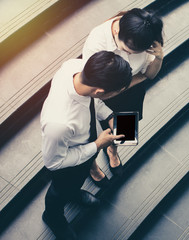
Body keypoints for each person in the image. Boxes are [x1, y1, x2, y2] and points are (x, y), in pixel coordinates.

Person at [40, 51, 132, 239]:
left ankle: (73, 194)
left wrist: (109, 116)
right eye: (117, 92)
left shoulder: (75, 68)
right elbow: (54, 163)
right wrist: (98, 145)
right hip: (68, 162)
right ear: (100, 91)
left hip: (84, 149)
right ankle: (53, 216)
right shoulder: (59, 123)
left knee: (73, 185)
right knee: (60, 191)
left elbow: (92, 101)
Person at [82, 8, 164, 186]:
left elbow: (149, 75)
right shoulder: (97, 44)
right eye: (130, 50)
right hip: (103, 96)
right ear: (117, 31)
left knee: (123, 133)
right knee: (92, 136)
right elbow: (100, 90)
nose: (134, 55)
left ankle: (112, 150)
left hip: (129, 92)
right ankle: (92, 166)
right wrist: (138, 78)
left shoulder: (144, 35)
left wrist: (159, 57)